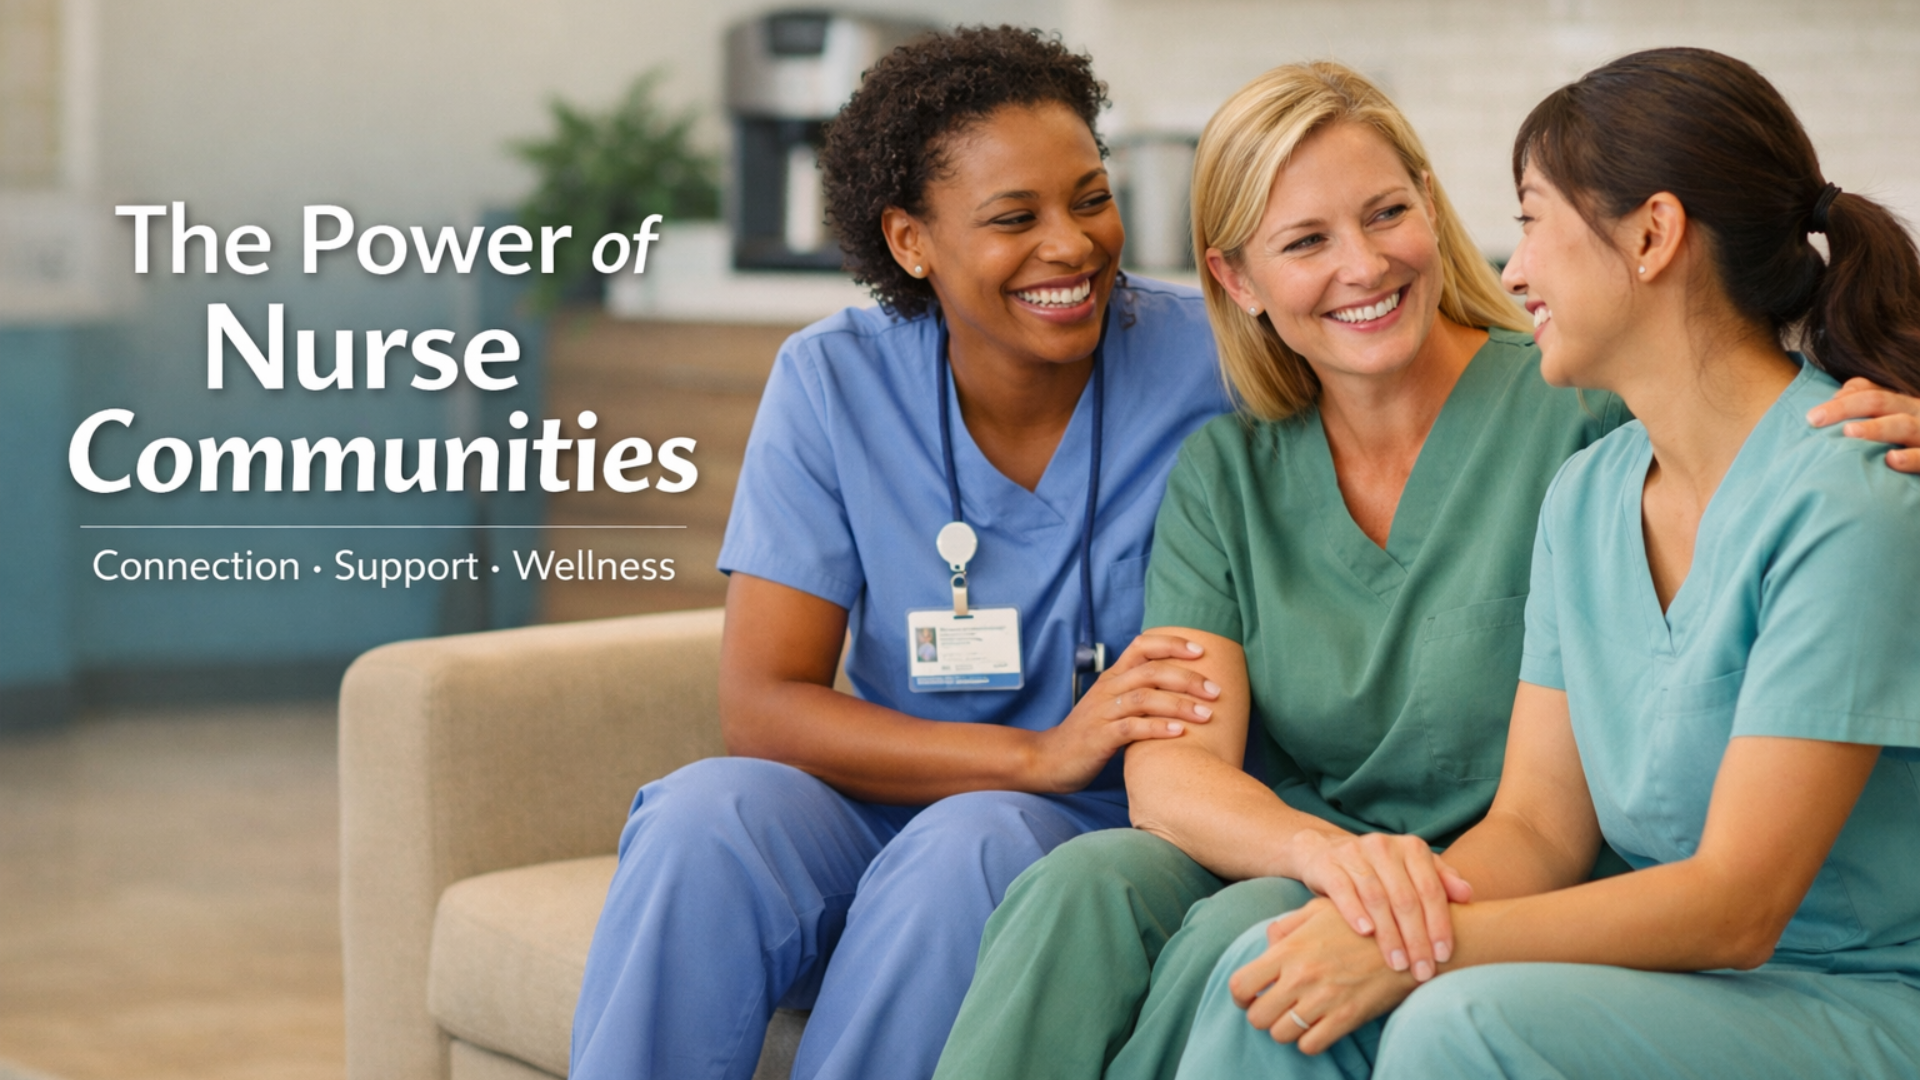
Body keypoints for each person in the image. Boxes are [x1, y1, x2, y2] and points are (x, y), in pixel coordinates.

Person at [934, 60, 1920, 1080]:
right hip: (1506, 906)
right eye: (1307, 242)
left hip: (1799, 977)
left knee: (1353, 982)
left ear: (1651, 236)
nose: (1516, 268)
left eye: (1531, 222)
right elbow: (1533, 824)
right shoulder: (1589, 492)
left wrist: (1409, 943)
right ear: (1238, 280)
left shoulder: (1720, 458)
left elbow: (1729, 900)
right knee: (1208, 953)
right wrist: (1365, 903)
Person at [568, 26, 1231, 1080]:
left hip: (1099, 826)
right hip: (891, 803)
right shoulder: (834, 382)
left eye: (1091, 198)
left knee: (972, 840)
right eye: (1015, 218)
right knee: (705, 812)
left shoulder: (1218, 361)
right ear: (911, 241)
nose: (1071, 245)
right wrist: (1032, 752)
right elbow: (765, 704)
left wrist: (1055, 775)